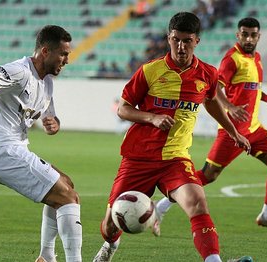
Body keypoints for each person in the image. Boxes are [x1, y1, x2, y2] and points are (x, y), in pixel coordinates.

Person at [93, 12, 252, 262]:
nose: (181, 46)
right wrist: (151, 118)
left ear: (197, 41)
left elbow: (211, 103)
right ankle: (109, 247)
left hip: (175, 158)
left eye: (187, 41)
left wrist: (233, 132)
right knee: (112, 224)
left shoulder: (208, 74)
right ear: (169, 38)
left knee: (197, 202)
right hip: (139, 158)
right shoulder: (150, 71)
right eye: (176, 39)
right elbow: (123, 108)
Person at [0, 25, 82, 262]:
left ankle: (46, 256)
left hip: (14, 149)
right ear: (45, 51)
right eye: (63, 54)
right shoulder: (20, 71)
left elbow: (49, 116)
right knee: (68, 198)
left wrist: (54, 123)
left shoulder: (47, 82)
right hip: (1, 149)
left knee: (66, 184)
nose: (66, 60)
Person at [155, 17, 267, 237]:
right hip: (233, 130)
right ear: (238, 35)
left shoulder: (256, 58)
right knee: (209, 175)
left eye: (252, 34)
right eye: (244, 34)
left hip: (255, 128)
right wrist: (230, 106)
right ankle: (160, 207)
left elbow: (252, 88)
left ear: (259, 36)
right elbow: (214, 89)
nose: (248, 38)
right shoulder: (231, 59)